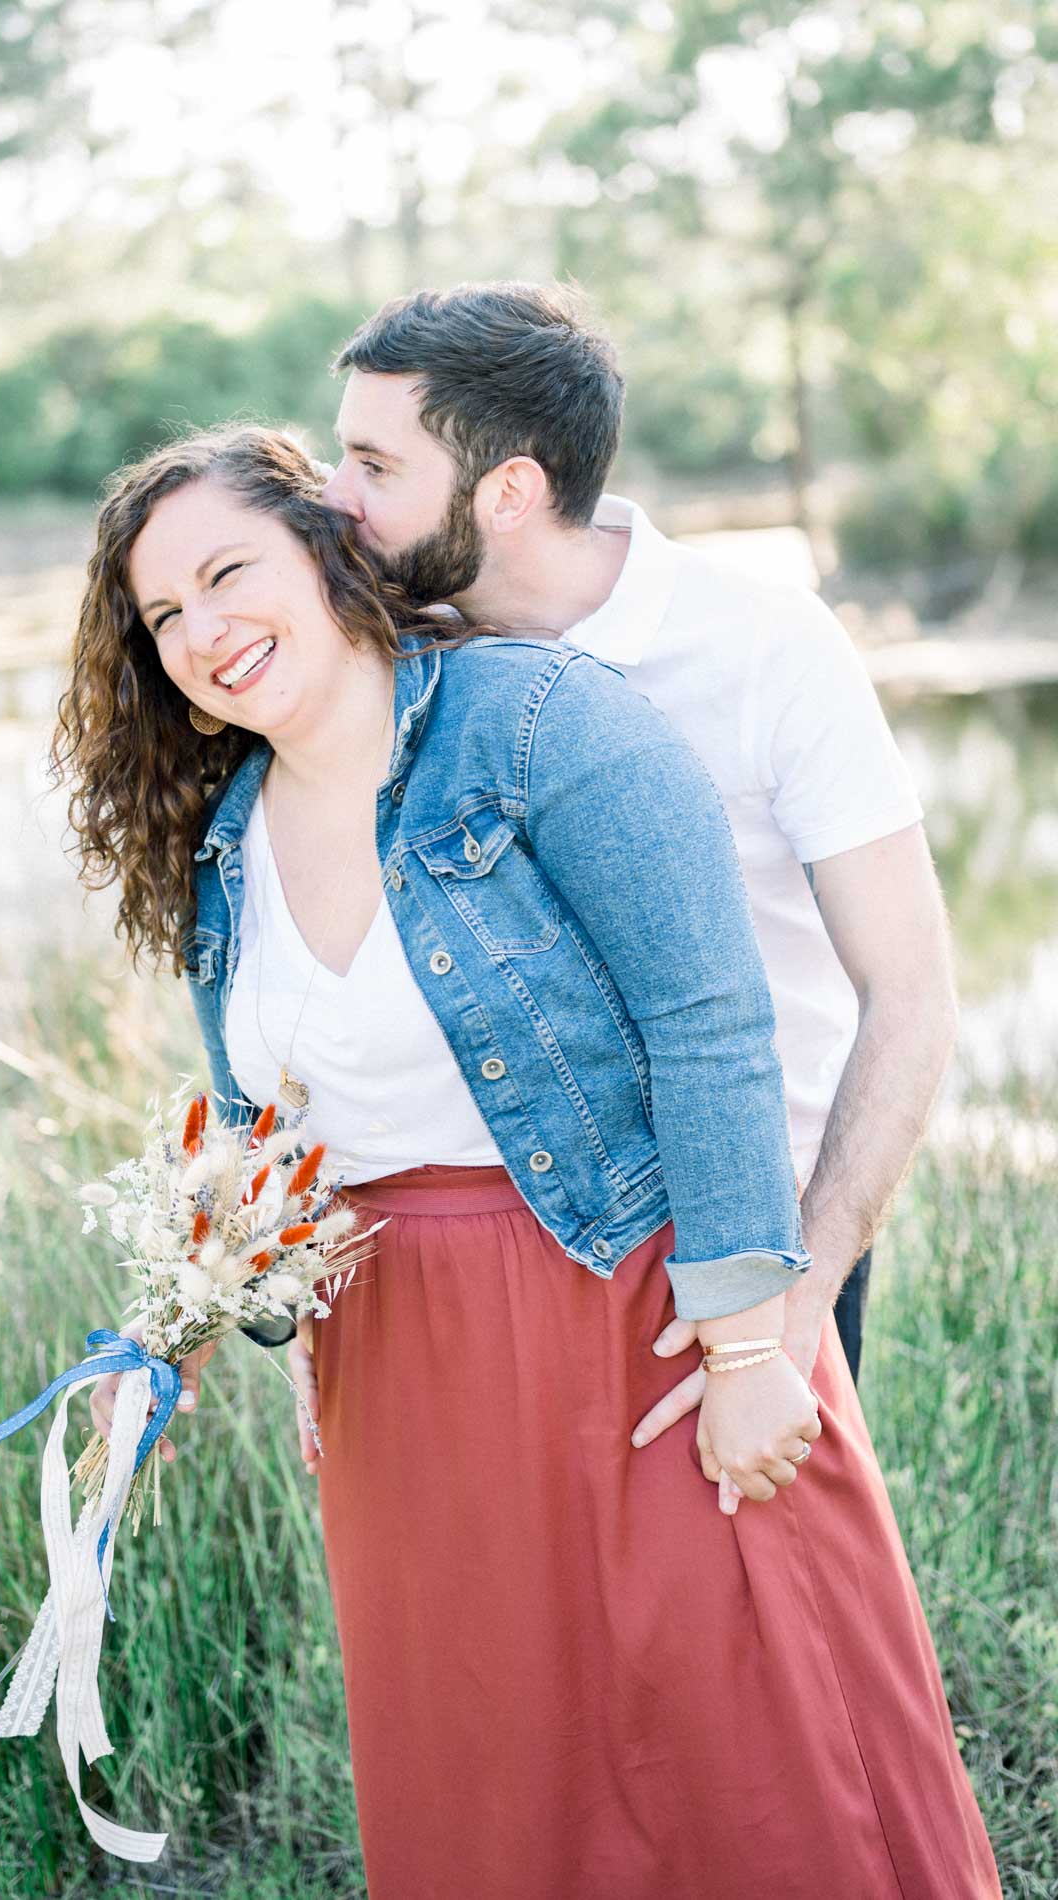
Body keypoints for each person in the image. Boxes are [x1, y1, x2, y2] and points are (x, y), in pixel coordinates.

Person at [58, 423, 1000, 1900]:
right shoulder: (225, 842)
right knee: (497, 1777)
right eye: (163, 616)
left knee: (748, 1761)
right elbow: (271, 1130)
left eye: (226, 573)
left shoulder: (537, 719)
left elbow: (709, 1018)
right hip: (402, 1371)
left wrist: (757, 1340)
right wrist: (202, 1314)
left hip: (634, 1309)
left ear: (326, 550)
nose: (201, 633)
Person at [309, 281, 957, 1439]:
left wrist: (799, 1291)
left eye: (373, 465)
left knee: (762, 1610)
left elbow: (907, 991)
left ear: (508, 490)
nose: (332, 498)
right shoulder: (382, 653)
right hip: (498, 1255)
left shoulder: (764, 645)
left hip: (756, 1234)